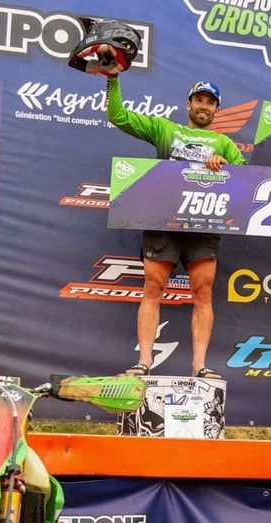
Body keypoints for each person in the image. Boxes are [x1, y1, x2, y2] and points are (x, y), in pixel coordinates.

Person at [102, 54, 245, 378]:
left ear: (217, 110)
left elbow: (247, 184)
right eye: (199, 100)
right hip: (163, 218)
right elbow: (118, 116)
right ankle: (144, 363)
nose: (204, 106)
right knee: (153, 288)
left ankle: (199, 366)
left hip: (204, 221)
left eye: (210, 102)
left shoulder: (224, 143)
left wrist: (225, 167)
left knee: (203, 293)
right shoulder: (165, 129)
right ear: (188, 104)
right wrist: (112, 79)